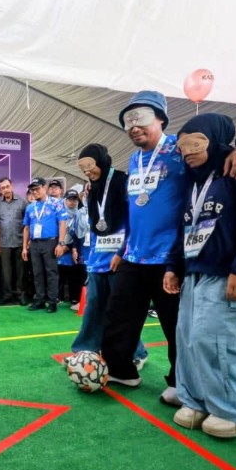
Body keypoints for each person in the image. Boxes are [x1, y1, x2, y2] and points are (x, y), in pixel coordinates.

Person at [100, 90, 236, 406]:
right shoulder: (133, 159)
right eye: (128, 121)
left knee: (176, 324)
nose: (134, 126)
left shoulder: (180, 146)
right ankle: (121, 371)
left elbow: (218, 153)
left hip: (172, 255)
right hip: (134, 254)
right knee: (118, 317)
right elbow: (136, 209)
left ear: (161, 118)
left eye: (142, 118)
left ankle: (179, 381)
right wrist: (122, 248)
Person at [166, 113, 236, 438]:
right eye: (182, 146)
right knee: (189, 341)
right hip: (194, 273)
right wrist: (173, 266)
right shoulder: (193, 182)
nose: (188, 151)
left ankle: (233, 411)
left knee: (217, 341)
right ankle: (196, 401)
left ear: (217, 141)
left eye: (196, 143)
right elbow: (185, 227)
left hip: (228, 274)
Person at [68, 145, 148, 369]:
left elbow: (134, 219)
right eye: (82, 168)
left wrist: (123, 251)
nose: (87, 171)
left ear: (101, 161)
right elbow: (95, 224)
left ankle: (137, 353)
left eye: (90, 165)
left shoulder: (123, 182)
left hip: (120, 257)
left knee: (121, 310)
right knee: (93, 306)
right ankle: (85, 350)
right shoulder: (92, 188)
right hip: (97, 258)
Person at [22, 178, 69, 313]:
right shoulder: (30, 207)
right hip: (35, 244)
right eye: (32, 190)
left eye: (37, 189)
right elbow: (26, 228)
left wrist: (61, 243)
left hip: (50, 242)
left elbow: (62, 223)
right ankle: (40, 300)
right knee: (37, 273)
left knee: (51, 272)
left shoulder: (56, 203)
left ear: (45, 187)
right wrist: (24, 247)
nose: (34, 192)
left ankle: (52, 301)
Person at [0, 177, 28, 305]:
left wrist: (26, 243)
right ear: (0, 190)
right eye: (3, 188)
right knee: (6, 272)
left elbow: (27, 224)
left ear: (12, 186)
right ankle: (7, 295)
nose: (6, 190)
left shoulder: (22, 202)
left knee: (20, 271)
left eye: (7, 186)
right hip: (4, 243)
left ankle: (20, 295)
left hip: (20, 242)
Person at [57, 189, 87, 305]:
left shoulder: (80, 214)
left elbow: (79, 234)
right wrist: (60, 245)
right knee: (59, 272)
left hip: (73, 247)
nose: (72, 202)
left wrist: (69, 247)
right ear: (65, 200)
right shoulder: (59, 213)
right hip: (59, 246)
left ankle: (74, 298)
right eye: (70, 199)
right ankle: (58, 296)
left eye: (75, 200)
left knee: (74, 274)